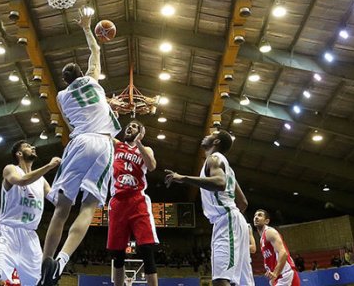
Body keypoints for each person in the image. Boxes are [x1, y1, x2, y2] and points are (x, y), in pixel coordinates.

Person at [38, 7, 122, 286]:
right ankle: (63, 258)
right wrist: (87, 27)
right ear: (81, 74)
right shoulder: (94, 82)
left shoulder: (62, 97)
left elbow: (70, 123)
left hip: (80, 141)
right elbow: (95, 52)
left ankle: (45, 266)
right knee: (88, 209)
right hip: (103, 143)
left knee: (61, 210)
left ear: (65, 80)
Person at [165, 130, 253, 286]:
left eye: (212, 134)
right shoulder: (228, 169)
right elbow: (243, 202)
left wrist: (183, 178)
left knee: (220, 279)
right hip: (232, 219)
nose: (206, 135)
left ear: (216, 142)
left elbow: (220, 183)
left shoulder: (214, 158)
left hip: (226, 219)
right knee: (237, 282)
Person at [0, 140, 61, 286]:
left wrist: (73, 184)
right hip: (8, 232)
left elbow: (58, 202)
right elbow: (22, 181)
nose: (33, 147)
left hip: (30, 237)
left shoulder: (41, 181)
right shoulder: (10, 169)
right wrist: (50, 166)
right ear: (19, 153)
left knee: (39, 283)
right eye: (28, 146)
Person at [108, 120, 160, 286]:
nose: (129, 127)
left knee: (146, 250)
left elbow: (151, 166)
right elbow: (101, 132)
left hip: (138, 200)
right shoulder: (116, 145)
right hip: (118, 202)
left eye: (135, 126)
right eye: (128, 125)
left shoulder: (146, 149)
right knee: (118, 254)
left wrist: (138, 143)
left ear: (141, 132)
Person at [252, 209, 300, 286]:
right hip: (278, 277)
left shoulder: (269, 232)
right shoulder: (262, 239)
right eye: (255, 216)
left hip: (285, 275)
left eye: (260, 215)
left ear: (266, 221)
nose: (256, 217)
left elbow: (283, 253)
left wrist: (275, 273)